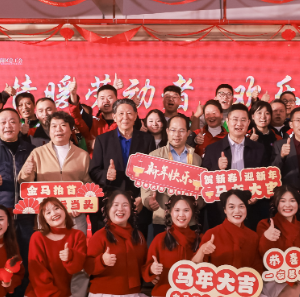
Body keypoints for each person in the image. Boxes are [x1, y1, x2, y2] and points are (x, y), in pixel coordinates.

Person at [196, 190, 277, 297]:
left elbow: (257, 269)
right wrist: (202, 251)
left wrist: (252, 296)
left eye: (241, 206)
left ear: (246, 208)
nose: (237, 211)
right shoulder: (212, 234)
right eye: (231, 207)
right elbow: (197, 271)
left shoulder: (253, 236)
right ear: (225, 210)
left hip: (244, 294)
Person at [84, 190, 160, 297]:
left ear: (131, 210)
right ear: (107, 209)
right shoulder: (100, 236)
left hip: (130, 295)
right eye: (116, 205)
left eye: (125, 205)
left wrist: (151, 271)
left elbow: (143, 265)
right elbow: (88, 267)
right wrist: (102, 261)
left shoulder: (138, 235)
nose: (120, 209)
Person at [144, 196, 220, 297]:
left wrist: (202, 253)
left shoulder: (200, 239)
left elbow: (203, 274)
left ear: (192, 213)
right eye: (177, 210)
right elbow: (146, 270)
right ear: (170, 212)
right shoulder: (160, 239)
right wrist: (152, 269)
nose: (181, 214)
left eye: (186, 210)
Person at [22, 197, 88, 297]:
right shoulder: (37, 237)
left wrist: (70, 256)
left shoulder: (77, 235)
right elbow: (37, 273)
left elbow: (76, 268)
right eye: (48, 212)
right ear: (43, 218)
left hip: (64, 294)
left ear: (64, 210)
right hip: (41, 294)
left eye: (57, 208)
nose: (54, 213)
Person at [90, 98, 156, 231]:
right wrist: (106, 175)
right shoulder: (102, 140)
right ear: (114, 117)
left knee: (137, 240)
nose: (125, 117)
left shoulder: (147, 139)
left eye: (129, 113)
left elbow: (152, 173)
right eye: (121, 113)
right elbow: (93, 171)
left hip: (137, 203)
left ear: (136, 116)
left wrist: (142, 198)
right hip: (110, 202)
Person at [201, 104, 270, 229]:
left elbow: (266, 178)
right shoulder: (213, 149)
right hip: (221, 210)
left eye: (243, 120)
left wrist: (257, 195)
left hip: (250, 209)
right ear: (227, 121)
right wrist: (217, 168)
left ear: (248, 123)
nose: (239, 123)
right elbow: (203, 180)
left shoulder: (259, 149)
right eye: (235, 119)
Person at [142, 115, 202, 243]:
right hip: (163, 218)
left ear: (188, 133)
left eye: (181, 130)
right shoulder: (154, 156)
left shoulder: (196, 158)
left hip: (189, 220)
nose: (177, 134)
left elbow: (203, 189)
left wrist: (199, 203)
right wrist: (148, 201)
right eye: (173, 130)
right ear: (167, 131)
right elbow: (146, 189)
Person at [248, 101, 281, 165]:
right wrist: (249, 143)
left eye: (267, 113)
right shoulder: (246, 136)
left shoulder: (278, 138)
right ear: (253, 116)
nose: (263, 117)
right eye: (259, 113)